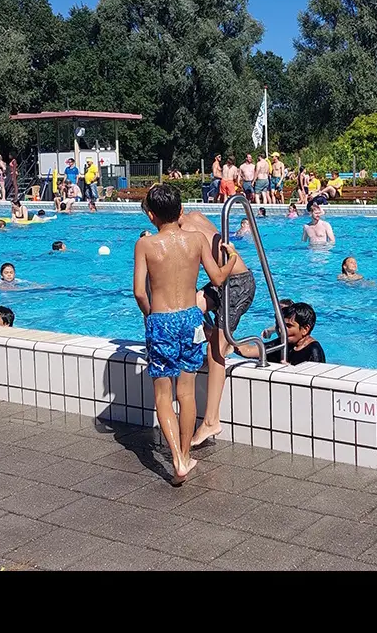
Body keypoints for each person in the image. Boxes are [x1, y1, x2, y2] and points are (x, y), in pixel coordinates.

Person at [133, 183, 240, 483]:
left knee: (163, 395)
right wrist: (231, 257)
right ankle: (185, 453)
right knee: (187, 393)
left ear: (151, 215)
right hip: (192, 320)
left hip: (162, 319)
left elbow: (139, 292)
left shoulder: (145, 245)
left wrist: (150, 316)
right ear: (180, 210)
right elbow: (217, 278)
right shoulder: (196, 240)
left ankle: (178, 461)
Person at [180, 210, 257, 449]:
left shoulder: (184, 234)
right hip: (226, 281)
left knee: (215, 352)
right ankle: (217, 336)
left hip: (237, 285)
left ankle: (211, 421)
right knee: (190, 310)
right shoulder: (195, 216)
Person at [235, 302, 325, 365]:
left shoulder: (314, 351)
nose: (281, 330)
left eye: (289, 326)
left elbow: (317, 381)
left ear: (305, 329)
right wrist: (230, 342)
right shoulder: (282, 343)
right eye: (282, 325)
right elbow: (249, 351)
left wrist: (290, 370)